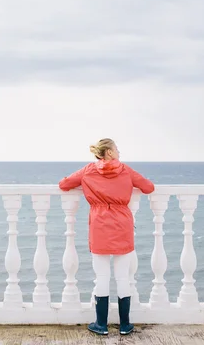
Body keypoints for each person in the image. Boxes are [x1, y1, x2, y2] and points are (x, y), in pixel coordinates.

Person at [58, 138, 155, 336]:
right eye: (117, 149)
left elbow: (64, 184)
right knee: (122, 277)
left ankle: (101, 325)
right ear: (109, 152)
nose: (119, 151)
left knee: (101, 276)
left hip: (99, 225)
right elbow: (148, 187)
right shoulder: (126, 170)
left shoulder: (88, 170)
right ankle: (125, 325)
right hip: (122, 225)